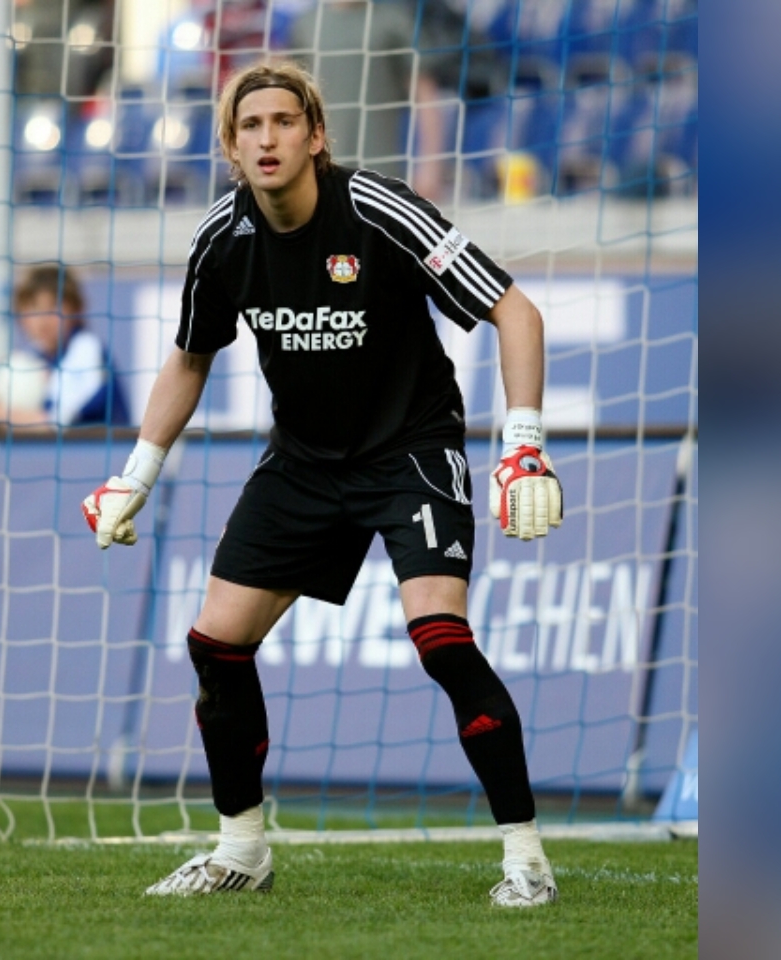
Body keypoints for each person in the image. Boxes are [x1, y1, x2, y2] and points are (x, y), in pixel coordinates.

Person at [81, 62, 562, 907]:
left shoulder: (377, 208)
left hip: (408, 449)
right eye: (249, 126)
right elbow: (191, 357)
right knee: (214, 646)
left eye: (282, 122)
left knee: (440, 640)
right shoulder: (222, 239)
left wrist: (522, 443)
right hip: (303, 463)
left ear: (314, 136)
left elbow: (514, 310)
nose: (267, 139)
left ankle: (526, 860)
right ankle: (241, 852)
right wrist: (136, 474)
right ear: (230, 146)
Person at [287, 0, 447, 200]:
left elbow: (425, 97)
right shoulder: (306, 25)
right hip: (322, 174)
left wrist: (430, 166)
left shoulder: (394, 21)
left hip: (381, 174)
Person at [0, 264, 129, 427]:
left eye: (53, 306)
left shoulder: (86, 349)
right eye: (33, 308)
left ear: (77, 309)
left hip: (97, 451)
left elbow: (59, 423)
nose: (42, 319)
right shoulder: (31, 361)